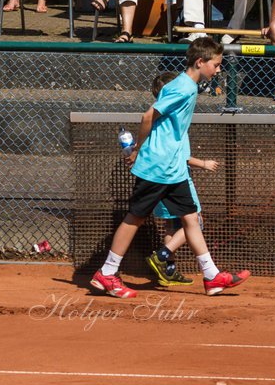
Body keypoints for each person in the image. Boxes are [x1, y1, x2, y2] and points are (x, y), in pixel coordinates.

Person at [89, 37, 250, 298]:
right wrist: (139, 150)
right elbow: (148, 116)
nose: (218, 70)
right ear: (200, 62)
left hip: (173, 168)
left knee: (191, 218)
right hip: (159, 166)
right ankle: (107, 273)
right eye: (216, 65)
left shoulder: (186, 85)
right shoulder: (184, 88)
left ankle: (211, 276)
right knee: (135, 218)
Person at [142, 71, 218, 288]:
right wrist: (203, 163)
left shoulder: (157, 119)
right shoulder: (175, 125)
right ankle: (162, 255)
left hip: (158, 180)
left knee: (171, 226)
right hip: (177, 180)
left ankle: (168, 272)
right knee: (196, 223)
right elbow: (183, 157)